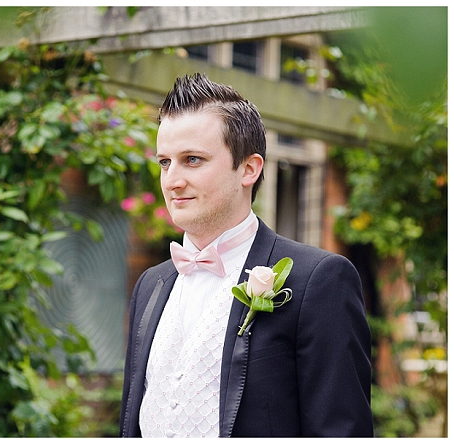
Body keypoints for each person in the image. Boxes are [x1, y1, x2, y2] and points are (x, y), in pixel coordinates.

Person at [119, 73, 373, 437]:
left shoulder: (319, 281)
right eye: (164, 162)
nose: (172, 180)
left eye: (192, 160)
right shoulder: (151, 284)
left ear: (249, 169)